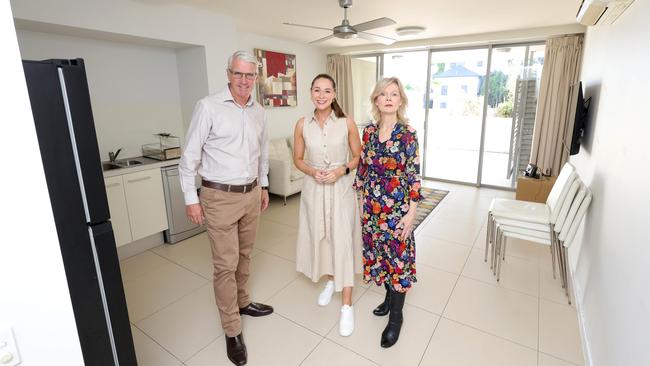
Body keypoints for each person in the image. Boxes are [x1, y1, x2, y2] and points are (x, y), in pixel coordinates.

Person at [179, 50, 273, 366]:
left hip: (250, 194)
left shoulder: (259, 111)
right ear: (228, 74)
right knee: (225, 264)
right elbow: (189, 155)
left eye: (250, 75)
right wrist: (191, 199)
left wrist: (263, 185)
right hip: (218, 197)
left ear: (256, 77)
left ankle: (243, 302)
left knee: (245, 256)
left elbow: (262, 152)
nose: (244, 80)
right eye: (238, 74)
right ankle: (232, 329)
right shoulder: (208, 107)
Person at [352, 77, 422, 348]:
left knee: (398, 261)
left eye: (394, 94)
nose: (389, 98)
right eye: (383, 94)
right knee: (380, 256)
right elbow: (363, 168)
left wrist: (411, 213)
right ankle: (388, 297)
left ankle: (396, 317)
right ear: (376, 100)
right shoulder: (368, 131)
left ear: (401, 100)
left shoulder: (408, 134)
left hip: (397, 210)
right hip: (372, 208)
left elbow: (414, 175)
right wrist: (360, 201)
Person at [294, 74, 363, 337]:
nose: (321, 95)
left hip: (341, 188)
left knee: (342, 241)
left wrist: (341, 170)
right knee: (322, 237)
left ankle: (346, 306)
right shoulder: (302, 124)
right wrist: (312, 171)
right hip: (314, 189)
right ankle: (331, 279)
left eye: (327, 91)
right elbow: (297, 159)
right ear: (311, 93)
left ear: (334, 94)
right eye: (316, 90)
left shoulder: (347, 123)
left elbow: (358, 157)